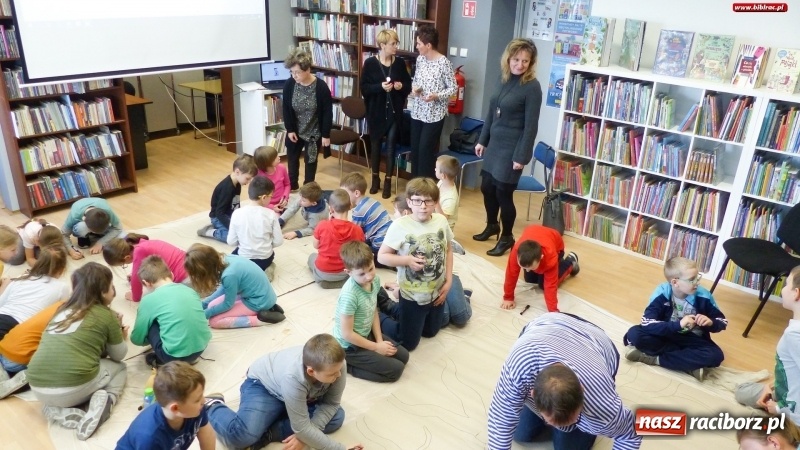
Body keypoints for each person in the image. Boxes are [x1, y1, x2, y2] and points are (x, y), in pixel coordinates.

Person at [487, 312, 642, 450]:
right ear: (533, 394)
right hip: (550, 323)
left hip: (597, 342)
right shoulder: (519, 366)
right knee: (520, 434)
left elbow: (631, 432)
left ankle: (576, 428)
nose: (556, 426)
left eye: (573, 419)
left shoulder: (600, 402)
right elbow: (500, 419)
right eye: (551, 422)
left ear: (582, 390)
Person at [204, 334, 362, 450]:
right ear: (311, 371)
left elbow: (331, 404)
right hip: (264, 387)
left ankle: (270, 433)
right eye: (332, 374)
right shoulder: (293, 377)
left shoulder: (337, 365)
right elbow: (302, 427)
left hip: (298, 395)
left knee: (336, 417)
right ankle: (213, 405)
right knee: (239, 437)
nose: (339, 375)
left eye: (339, 370)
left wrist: (305, 436)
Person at [27, 263, 129, 441]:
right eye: (111, 285)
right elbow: (119, 355)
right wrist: (120, 333)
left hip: (36, 386)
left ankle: (58, 408)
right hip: (71, 387)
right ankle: (107, 403)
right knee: (120, 367)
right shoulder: (106, 315)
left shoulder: (61, 310)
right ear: (103, 291)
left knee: (80, 365)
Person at [473, 38, 543, 257]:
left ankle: (507, 237)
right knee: (487, 188)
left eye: (525, 61)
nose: (520, 65)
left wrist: (521, 156)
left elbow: (531, 127)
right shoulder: (503, 78)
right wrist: (482, 140)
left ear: (531, 63)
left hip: (513, 150)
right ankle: (492, 225)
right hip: (495, 145)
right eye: (516, 59)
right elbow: (491, 112)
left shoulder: (532, 87)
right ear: (508, 58)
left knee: (504, 194)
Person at [377, 177, 453, 351]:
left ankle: (399, 311)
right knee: (408, 343)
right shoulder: (399, 225)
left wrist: (449, 281)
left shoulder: (441, 221)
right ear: (409, 202)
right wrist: (407, 261)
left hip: (437, 292)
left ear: (435, 202)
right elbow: (382, 256)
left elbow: (448, 249)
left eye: (428, 201)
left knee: (430, 332)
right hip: (412, 295)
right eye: (417, 201)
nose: (423, 206)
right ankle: (378, 314)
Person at [623, 257, 727, 381]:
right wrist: (678, 325)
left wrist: (711, 323)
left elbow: (722, 321)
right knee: (634, 333)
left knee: (716, 356)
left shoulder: (704, 296)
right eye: (691, 280)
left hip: (692, 338)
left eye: (697, 277)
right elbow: (647, 323)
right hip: (666, 333)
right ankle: (687, 364)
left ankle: (654, 359)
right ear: (675, 282)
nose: (697, 282)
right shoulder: (662, 293)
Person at [390, 193, 472, 328]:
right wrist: (398, 287)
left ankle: (463, 296)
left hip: (442, 277)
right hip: (424, 286)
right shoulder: (397, 230)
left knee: (461, 316)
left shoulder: (435, 224)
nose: (393, 215)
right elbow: (391, 260)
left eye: (394, 212)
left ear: (405, 212)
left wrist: (449, 279)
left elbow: (447, 249)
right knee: (444, 319)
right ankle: (458, 297)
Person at [334, 241, 409, 382]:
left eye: (370, 269)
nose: (368, 276)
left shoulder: (374, 281)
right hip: (350, 346)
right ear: (348, 273)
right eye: (361, 274)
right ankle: (349, 366)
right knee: (396, 371)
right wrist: (375, 347)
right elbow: (347, 334)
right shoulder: (349, 296)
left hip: (365, 333)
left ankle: (371, 350)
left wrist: (379, 341)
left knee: (404, 357)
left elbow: (373, 310)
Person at [735, 265, 800, 425]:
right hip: (786, 393)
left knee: (742, 390)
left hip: (792, 412)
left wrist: (779, 409)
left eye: (787, 284)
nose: (783, 289)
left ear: (797, 294)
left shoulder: (794, 335)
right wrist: (770, 386)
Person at [130, 256, 211, 368]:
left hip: (172, 357)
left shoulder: (149, 300)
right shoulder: (190, 290)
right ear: (171, 275)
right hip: (201, 348)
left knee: (151, 322)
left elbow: (136, 339)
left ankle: (161, 360)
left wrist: (150, 339)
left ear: (146, 283)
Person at [116, 361, 216, 450]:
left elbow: (207, 434)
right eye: (197, 399)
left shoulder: (195, 409)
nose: (204, 400)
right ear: (176, 408)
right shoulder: (150, 437)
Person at [361, 28, 412, 198]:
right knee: (375, 146)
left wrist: (400, 87)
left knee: (391, 146)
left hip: (394, 112)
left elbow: (407, 85)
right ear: (382, 45)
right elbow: (364, 88)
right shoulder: (370, 63)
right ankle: (375, 179)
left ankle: (388, 181)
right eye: (393, 43)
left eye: (396, 43)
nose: (396, 46)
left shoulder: (399, 63)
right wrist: (380, 87)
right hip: (376, 112)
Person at [184, 243, 285, 329]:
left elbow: (228, 304)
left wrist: (203, 315)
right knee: (211, 306)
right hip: (260, 295)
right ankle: (269, 307)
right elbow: (224, 289)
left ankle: (261, 319)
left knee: (214, 321)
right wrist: (204, 304)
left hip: (258, 302)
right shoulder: (226, 259)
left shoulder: (229, 275)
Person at [408, 24, 456, 179]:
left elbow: (453, 89)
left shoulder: (444, 63)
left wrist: (437, 95)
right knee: (415, 150)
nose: (417, 47)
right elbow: (416, 81)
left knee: (425, 151)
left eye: (419, 44)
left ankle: (425, 189)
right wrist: (415, 89)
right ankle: (414, 187)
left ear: (428, 45)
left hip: (434, 115)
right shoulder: (420, 59)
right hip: (417, 112)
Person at [282, 48, 333, 190]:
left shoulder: (321, 87)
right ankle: (292, 188)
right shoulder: (290, 85)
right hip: (295, 130)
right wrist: (290, 129)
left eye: (297, 72)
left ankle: (308, 190)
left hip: (313, 131)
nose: (294, 76)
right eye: (292, 72)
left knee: (310, 161)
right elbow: (286, 108)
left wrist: (326, 134)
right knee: (292, 161)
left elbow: (327, 112)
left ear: (307, 70)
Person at [502, 224, 578, 313]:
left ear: (541, 258)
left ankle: (570, 261)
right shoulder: (516, 252)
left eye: (531, 267)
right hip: (536, 233)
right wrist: (508, 297)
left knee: (543, 285)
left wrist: (553, 311)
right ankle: (537, 268)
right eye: (524, 267)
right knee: (529, 279)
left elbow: (550, 286)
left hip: (556, 244)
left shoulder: (550, 258)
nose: (527, 270)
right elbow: (511, 274)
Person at [0, 246, 69, 340]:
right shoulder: (62, 287)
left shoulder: (22, 277)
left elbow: (1, 301)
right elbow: (63, 313)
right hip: (22, 327)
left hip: (3, 315)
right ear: (62, 269)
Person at [0, 300, 63, 399]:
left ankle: (5, 375)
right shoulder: (79, 315)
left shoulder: (59, 304)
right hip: (17, 360)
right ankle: (29, 377)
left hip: (4, 346)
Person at [102, 234, 189, 302]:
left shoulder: (139, 251)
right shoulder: (141, 243)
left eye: (124, 265)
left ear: (127, 257)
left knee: (154, 287)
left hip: (184, 278)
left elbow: (136, 278)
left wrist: (135, 296)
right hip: (191, 265)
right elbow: (139, 268)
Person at [227, 175, 283, 280]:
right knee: (269, 257)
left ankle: (244, 273)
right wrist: (266, 245)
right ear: (264, 198)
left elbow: (231, 242)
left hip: (244, 260)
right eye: (271, 196)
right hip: (264, 259)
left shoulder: (237, 213)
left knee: (230, 258)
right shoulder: (271, 214)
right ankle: (265, 270)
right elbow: (279, 241)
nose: (271, 199)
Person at [308, 189, 365, 289]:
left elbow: (315, 245)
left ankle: (323, 281)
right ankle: (345, 282)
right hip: (344, 272)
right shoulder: (357, 229)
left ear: (330, 209)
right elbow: (359, 252)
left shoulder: (322, 225)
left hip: (323, 271)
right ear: (350, 206)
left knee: (312, 257)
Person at [197, 153, 258, 243]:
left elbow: (236, 204)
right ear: (237, 172)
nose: (249, 182)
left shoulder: (238, 183)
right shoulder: (227, 188)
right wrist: (232, 227)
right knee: (235, 239)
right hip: (218, 217)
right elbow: (219, 213)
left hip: (229, 215)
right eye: (247, 178)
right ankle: (211, 231)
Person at [340, 172, 392, 262]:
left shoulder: (359, 211)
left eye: (345, 194)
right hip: (389, 240)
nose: (343, 197)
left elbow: (354, 234)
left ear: (356, 193)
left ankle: (383, 262)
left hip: (380, 246)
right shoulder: (372, 200)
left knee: (354, 252)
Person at [253, 145, 290, 213]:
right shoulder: (258, 176)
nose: (279, 158)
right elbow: (258, 199)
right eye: (276, 158)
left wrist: (286, 197)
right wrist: (271, 207)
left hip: (282, 202)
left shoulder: (282, 168)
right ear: (267, 162)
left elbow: (287, 184)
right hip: (266, 205)